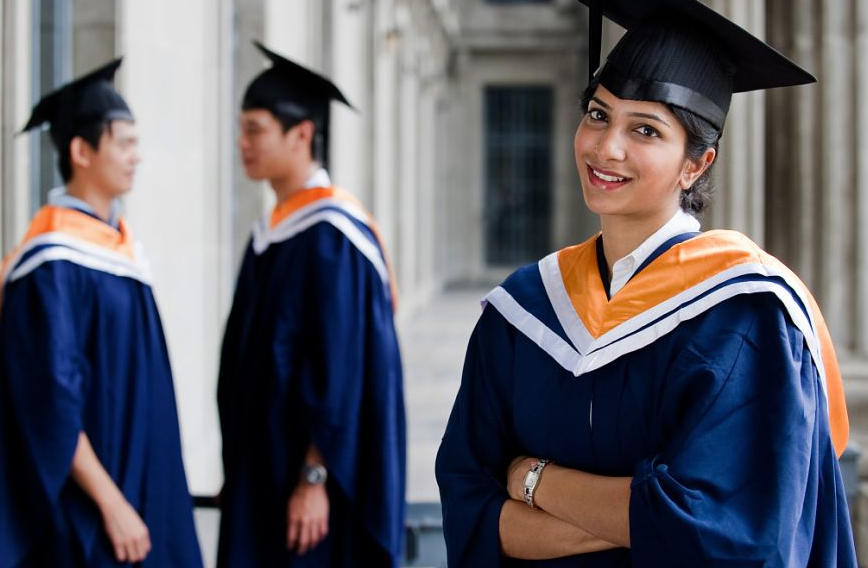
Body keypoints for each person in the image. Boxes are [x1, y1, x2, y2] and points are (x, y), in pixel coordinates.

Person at [435, 0, 856, 566]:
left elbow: (729, 535)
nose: (606, 148)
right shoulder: (523, 310)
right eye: (599, 115)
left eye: (646, 130)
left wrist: (531, 479)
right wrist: (646, 516)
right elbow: (470, 509)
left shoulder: (745, 316)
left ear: (695, 165)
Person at [0, 59, 203, 567]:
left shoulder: (118, 250)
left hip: (145, 500)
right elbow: (51, 402)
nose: (138, 157)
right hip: (93, 517)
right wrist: (111, 504)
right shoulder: (50, 262)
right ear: (81, 151)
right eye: (125, 142)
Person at [216, 42, 406, 567]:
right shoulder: (274, 232)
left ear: (301, 134)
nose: (242, 144)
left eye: (255, 130)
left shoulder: (333, 237)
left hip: (311, 485)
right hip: (264, 472)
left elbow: (339, 375)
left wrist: (314, 476)